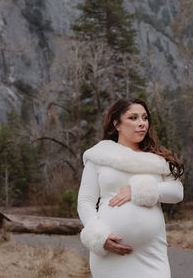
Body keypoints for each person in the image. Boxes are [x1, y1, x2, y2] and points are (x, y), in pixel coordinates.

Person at [77, 97, 184, 277]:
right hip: (110, 254)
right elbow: (85, 201)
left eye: (145, 118)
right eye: (133, 118)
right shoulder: (99, 156)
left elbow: (177, 192)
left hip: (151, 254)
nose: (142, 123)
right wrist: (98, 236)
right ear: (116, 123)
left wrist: (138, 189)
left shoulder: (158, 159)